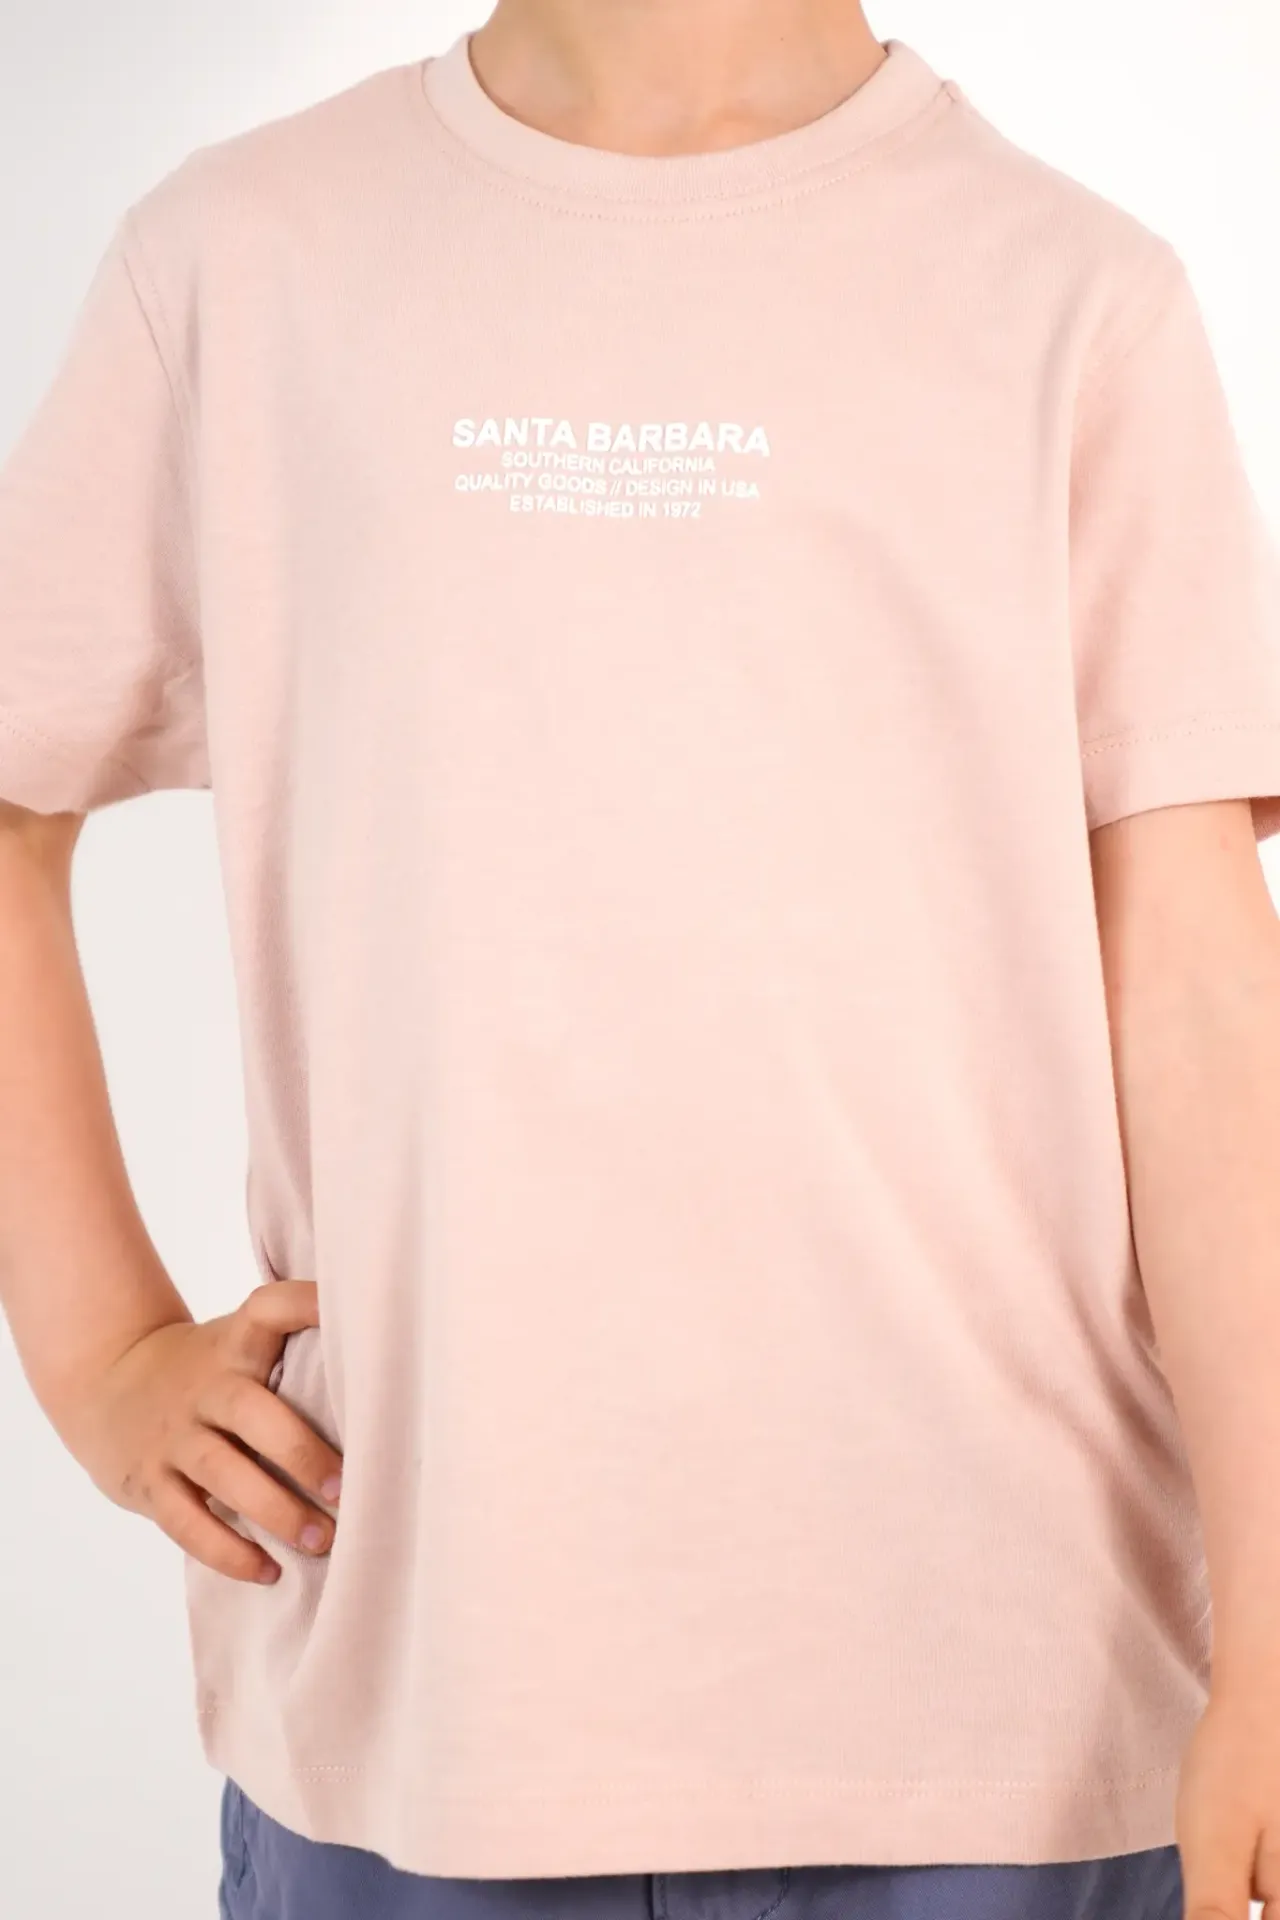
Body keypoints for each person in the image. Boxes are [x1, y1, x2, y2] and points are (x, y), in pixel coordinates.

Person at [2, 0, 1279, 1915]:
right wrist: (99, 1350)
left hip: (1007, 1713)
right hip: (424, 1693)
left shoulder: (1075, 298)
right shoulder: (240, 259)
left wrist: (1276, 1632)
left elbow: (1200, 993)